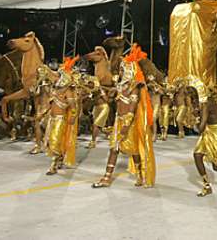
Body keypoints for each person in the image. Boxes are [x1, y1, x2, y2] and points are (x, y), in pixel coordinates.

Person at [92, 45, 156, 189]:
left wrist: (126, 126)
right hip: (118, 121)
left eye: (124, 68)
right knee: (114, 148)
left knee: (133, 151)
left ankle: (140, 174)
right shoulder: (120, 87)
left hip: (129, 123)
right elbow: (111, 100)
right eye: (121, 68)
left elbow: (132, 108)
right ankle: (107, 177)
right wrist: (104, 92)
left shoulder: (135, 86)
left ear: (131, 70)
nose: (121, 71)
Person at [44, 57, 80, 175]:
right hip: (52, 119)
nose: (55, 77)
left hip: (60, 119)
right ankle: (58, 158)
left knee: (55, 141)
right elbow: (51, 104)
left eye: (58, 76)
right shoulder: (54, 90)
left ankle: (53, 165)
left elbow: (73, 106)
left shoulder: (68, 91)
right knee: (50, 141)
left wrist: (73, 116)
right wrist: (42, 114)